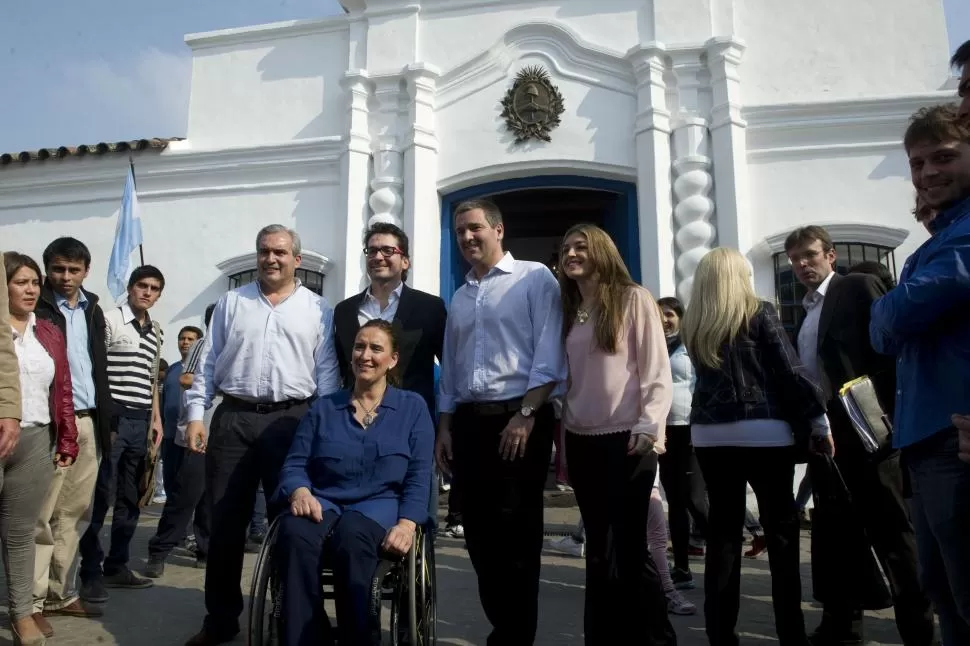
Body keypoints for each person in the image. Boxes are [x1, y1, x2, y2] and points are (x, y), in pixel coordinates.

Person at [183, 224, 341, 646]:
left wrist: (324, 429)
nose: (271, 258)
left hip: (292, 423)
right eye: (264, 251)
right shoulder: (231, 303)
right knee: (224, 525)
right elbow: (209, 363)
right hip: (233, 420)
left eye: (280, 252)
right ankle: (220, 619)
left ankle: (287, 614)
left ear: (297, 260)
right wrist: (196, 415)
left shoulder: (318, 309)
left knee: (290, 524)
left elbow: (326, 375)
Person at [786, 226, 934, 645]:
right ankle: (842, 626)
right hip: (826, 440)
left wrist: (888, 416)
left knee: (894, 536)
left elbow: (893, 348)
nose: (801, 265)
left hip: (868, 434)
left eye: (809, 255)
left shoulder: (856, 286)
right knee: (837, 538)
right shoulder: (806, 310)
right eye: (795, 258)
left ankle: (919, 631)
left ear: (830, 255)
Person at [682, 247, 832, 646]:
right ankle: (790, 633)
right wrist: (818, 418)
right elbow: (791, 371)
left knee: (724, 535)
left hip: (711, 435)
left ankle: (720, 633)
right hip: (765, 431)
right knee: (782, 535)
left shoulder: (694, 320)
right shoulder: (759, 311)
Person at [435, 199, 566, 646]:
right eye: (460, 232)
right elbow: (451, 369)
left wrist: (527, 414)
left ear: (498, 229)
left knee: (517, 534)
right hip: (471, 424)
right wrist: (446, 426)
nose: (467, 238)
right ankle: (502, 627)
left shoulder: (534, 278)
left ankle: (515, 637)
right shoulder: (461, 294)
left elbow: (549, 354)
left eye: (475, 228)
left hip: (521, 418)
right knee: (477, 531)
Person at [870, 104, 970, 645]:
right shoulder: (934, 246)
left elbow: (896, 315)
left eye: (944, 157)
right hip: (926, 441)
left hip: (957, 441)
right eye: (916, 163)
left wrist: (891, 309)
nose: (928, 172)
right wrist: (893, 311)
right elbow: (884, 333)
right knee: (944, 590)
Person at [275, 319, 434, 646]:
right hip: (324, 502)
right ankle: (306, 638)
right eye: (360, 347)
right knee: (293, 534)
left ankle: (358, 639)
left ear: (392, 360)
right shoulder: (324, 408)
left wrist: (406, 525)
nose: (366, 355)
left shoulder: (412, 408)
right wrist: (300, 490)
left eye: (376, 348)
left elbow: (419, 475)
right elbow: (294, 463)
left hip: (379, 506)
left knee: (352, 538)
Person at [557, 223, 676, 645]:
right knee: (599, 550)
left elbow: (657, 371)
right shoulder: (570, 309)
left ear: (602, 252)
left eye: (580, 246)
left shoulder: (633, 298)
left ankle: (656, 638)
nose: (571, 253)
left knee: (629, 547)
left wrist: (650, 427)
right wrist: (565, 447)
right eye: (566, 248)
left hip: (628, 439)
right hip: (583, 440)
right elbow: (570, 383)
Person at [332, 222, 447, 535]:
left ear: (405, 261)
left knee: (416, 515)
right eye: (372, 250)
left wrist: (445, 425)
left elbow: (450, 371)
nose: (378, 256)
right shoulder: (344, 311)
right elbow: (339, 371)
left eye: (388, 250)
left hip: (411, 428)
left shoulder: (430, 308)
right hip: (355, 428)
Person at [32, 237, 112, 627]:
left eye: (74, 270)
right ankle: (28, 603)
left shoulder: (93, 308)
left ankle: (58, 593)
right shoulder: (38, 306)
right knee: (40, 515)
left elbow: (98, 367)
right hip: (51, 423)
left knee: (75, 513)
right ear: (48, 269)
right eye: (59, 269)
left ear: (86, 271)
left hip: (89, 421)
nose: (66, 277)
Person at [4, 252, 79, 645]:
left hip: (36, 439)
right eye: (21, 282)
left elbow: (62, 389)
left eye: (35, 282)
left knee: (20, 534)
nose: (31, 289)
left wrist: (67, 437)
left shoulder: (48, 331)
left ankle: (21, 614)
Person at [79, 264, 165, 603]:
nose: (147, 292)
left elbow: (151, 380)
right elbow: (97, 369)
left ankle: (118, 566)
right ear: (129, 288)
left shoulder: (156, 331)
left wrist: (156, 419)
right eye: (141, 285)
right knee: (100, 496)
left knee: (132, 497)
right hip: (112, 421)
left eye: (154, 288)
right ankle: (89, 572)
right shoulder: (111, 320)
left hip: (141, 422)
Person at [144, 324, 205, 577]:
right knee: (180, 495)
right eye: (182, 338)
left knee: (209, 499)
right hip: (179, 436)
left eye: (191, 338)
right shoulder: (180, 368)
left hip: (216, 437)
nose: (186, 342)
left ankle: (205, 548)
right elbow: (184, 381)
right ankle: (161, 548)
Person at [655, 295, 708, 590]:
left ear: (680, 317)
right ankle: (682, 567)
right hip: (665, 429)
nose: (665, 321)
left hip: (690, 428)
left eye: (670, 315)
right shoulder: (654, 345)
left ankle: (725, 545)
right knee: (674, 500)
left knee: (694, 497)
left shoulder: (692, 345)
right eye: (660, 315)